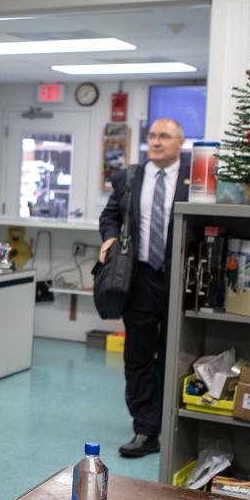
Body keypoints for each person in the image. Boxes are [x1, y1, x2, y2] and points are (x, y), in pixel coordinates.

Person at [98, 118, 189, 458]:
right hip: (140, 278)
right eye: (152, 136)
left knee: (173, 354)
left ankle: (175, 422)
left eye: (164, 136)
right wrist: (109, 237)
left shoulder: (196, 178)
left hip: (181, 278)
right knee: (138, 356)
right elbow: (109, 216)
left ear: (180, 142)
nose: (156, 141)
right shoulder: (129, 178)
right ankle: (145, 429)